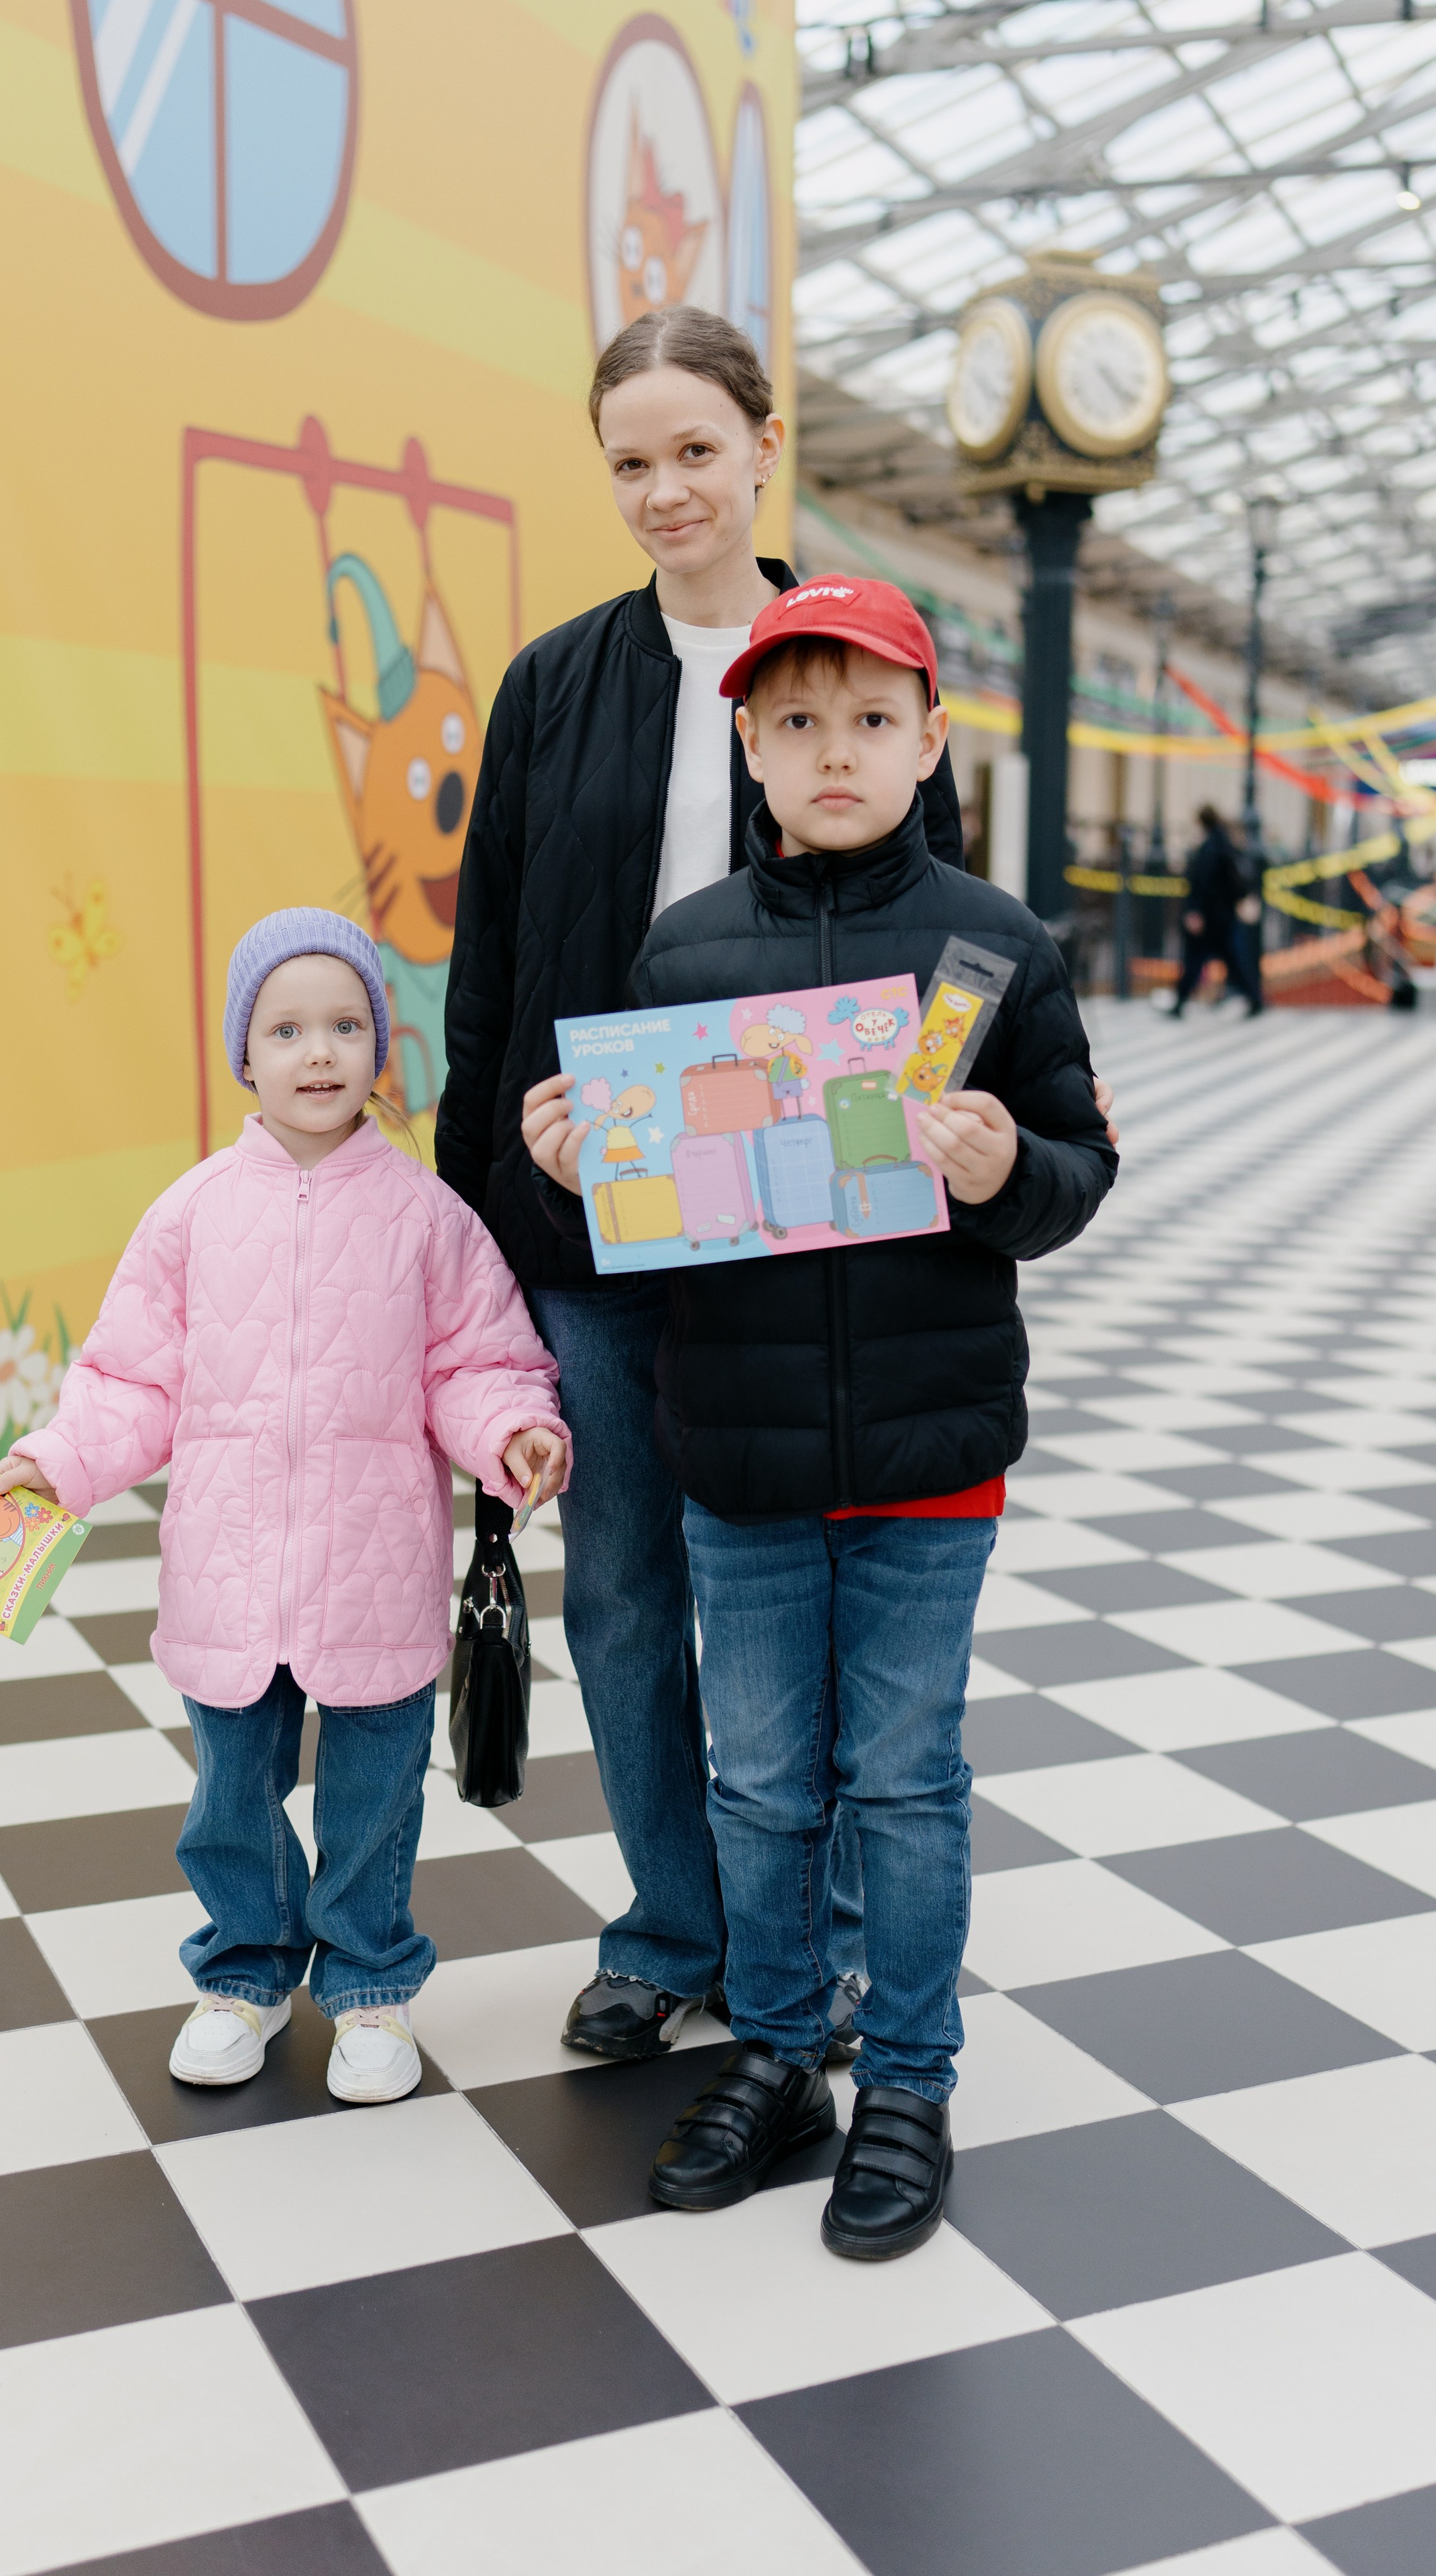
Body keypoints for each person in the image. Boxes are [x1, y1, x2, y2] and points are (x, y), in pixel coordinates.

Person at [527, 577, 1115, 2257]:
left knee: (906, 1779)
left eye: (868, 719)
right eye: (795, 722)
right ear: (748, 747)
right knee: (768, 1780)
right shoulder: (683, 948)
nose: (832, 749)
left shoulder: (993, 944)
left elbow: (1075, 1168)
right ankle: (780, 2053)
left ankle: (908, 2079)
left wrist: (1012, 1170)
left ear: (930, 740)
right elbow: (642, 1216)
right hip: (740, 1452)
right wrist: (585, 1173)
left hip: (932, 1453)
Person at [436, 306, 969, 2063]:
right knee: (629, 1588)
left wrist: (941, 1150)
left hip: (794, 1234)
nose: (663, 489)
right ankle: (672, 1923)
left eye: (691, 450)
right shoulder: (552, 685)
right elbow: (494, 955)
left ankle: (803, 1945)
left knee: (799, 1591)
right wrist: (479, 1206)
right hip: (596, 1225)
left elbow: (936, 947)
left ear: (763, 446)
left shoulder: (858, 663)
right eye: (629, 462)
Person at [0, 909, 568, 2106]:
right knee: (231, 1795)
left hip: (375, 1568)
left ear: (380, 1047)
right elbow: (130, 1381)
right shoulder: (193, 1213)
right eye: (288, 1027)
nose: (320, 1052)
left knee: (374, 1795)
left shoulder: (425, 1217)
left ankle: (367, 1984)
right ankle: (243, 1972)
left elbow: (476, 1362)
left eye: (346, 1025)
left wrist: (515, 1433)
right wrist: (56, 1461)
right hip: (230, 1568)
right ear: (244, 1054)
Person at [1172, 804, 1262, 1015]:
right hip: (1223, 917)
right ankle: (1254, 998)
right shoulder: (1225, 844)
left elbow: (1204, 883)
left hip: (1213, 918)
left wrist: (1196, 911)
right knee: (1233, 961)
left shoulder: (1210, 848)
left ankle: (1180, 1002)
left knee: (1196, 961)